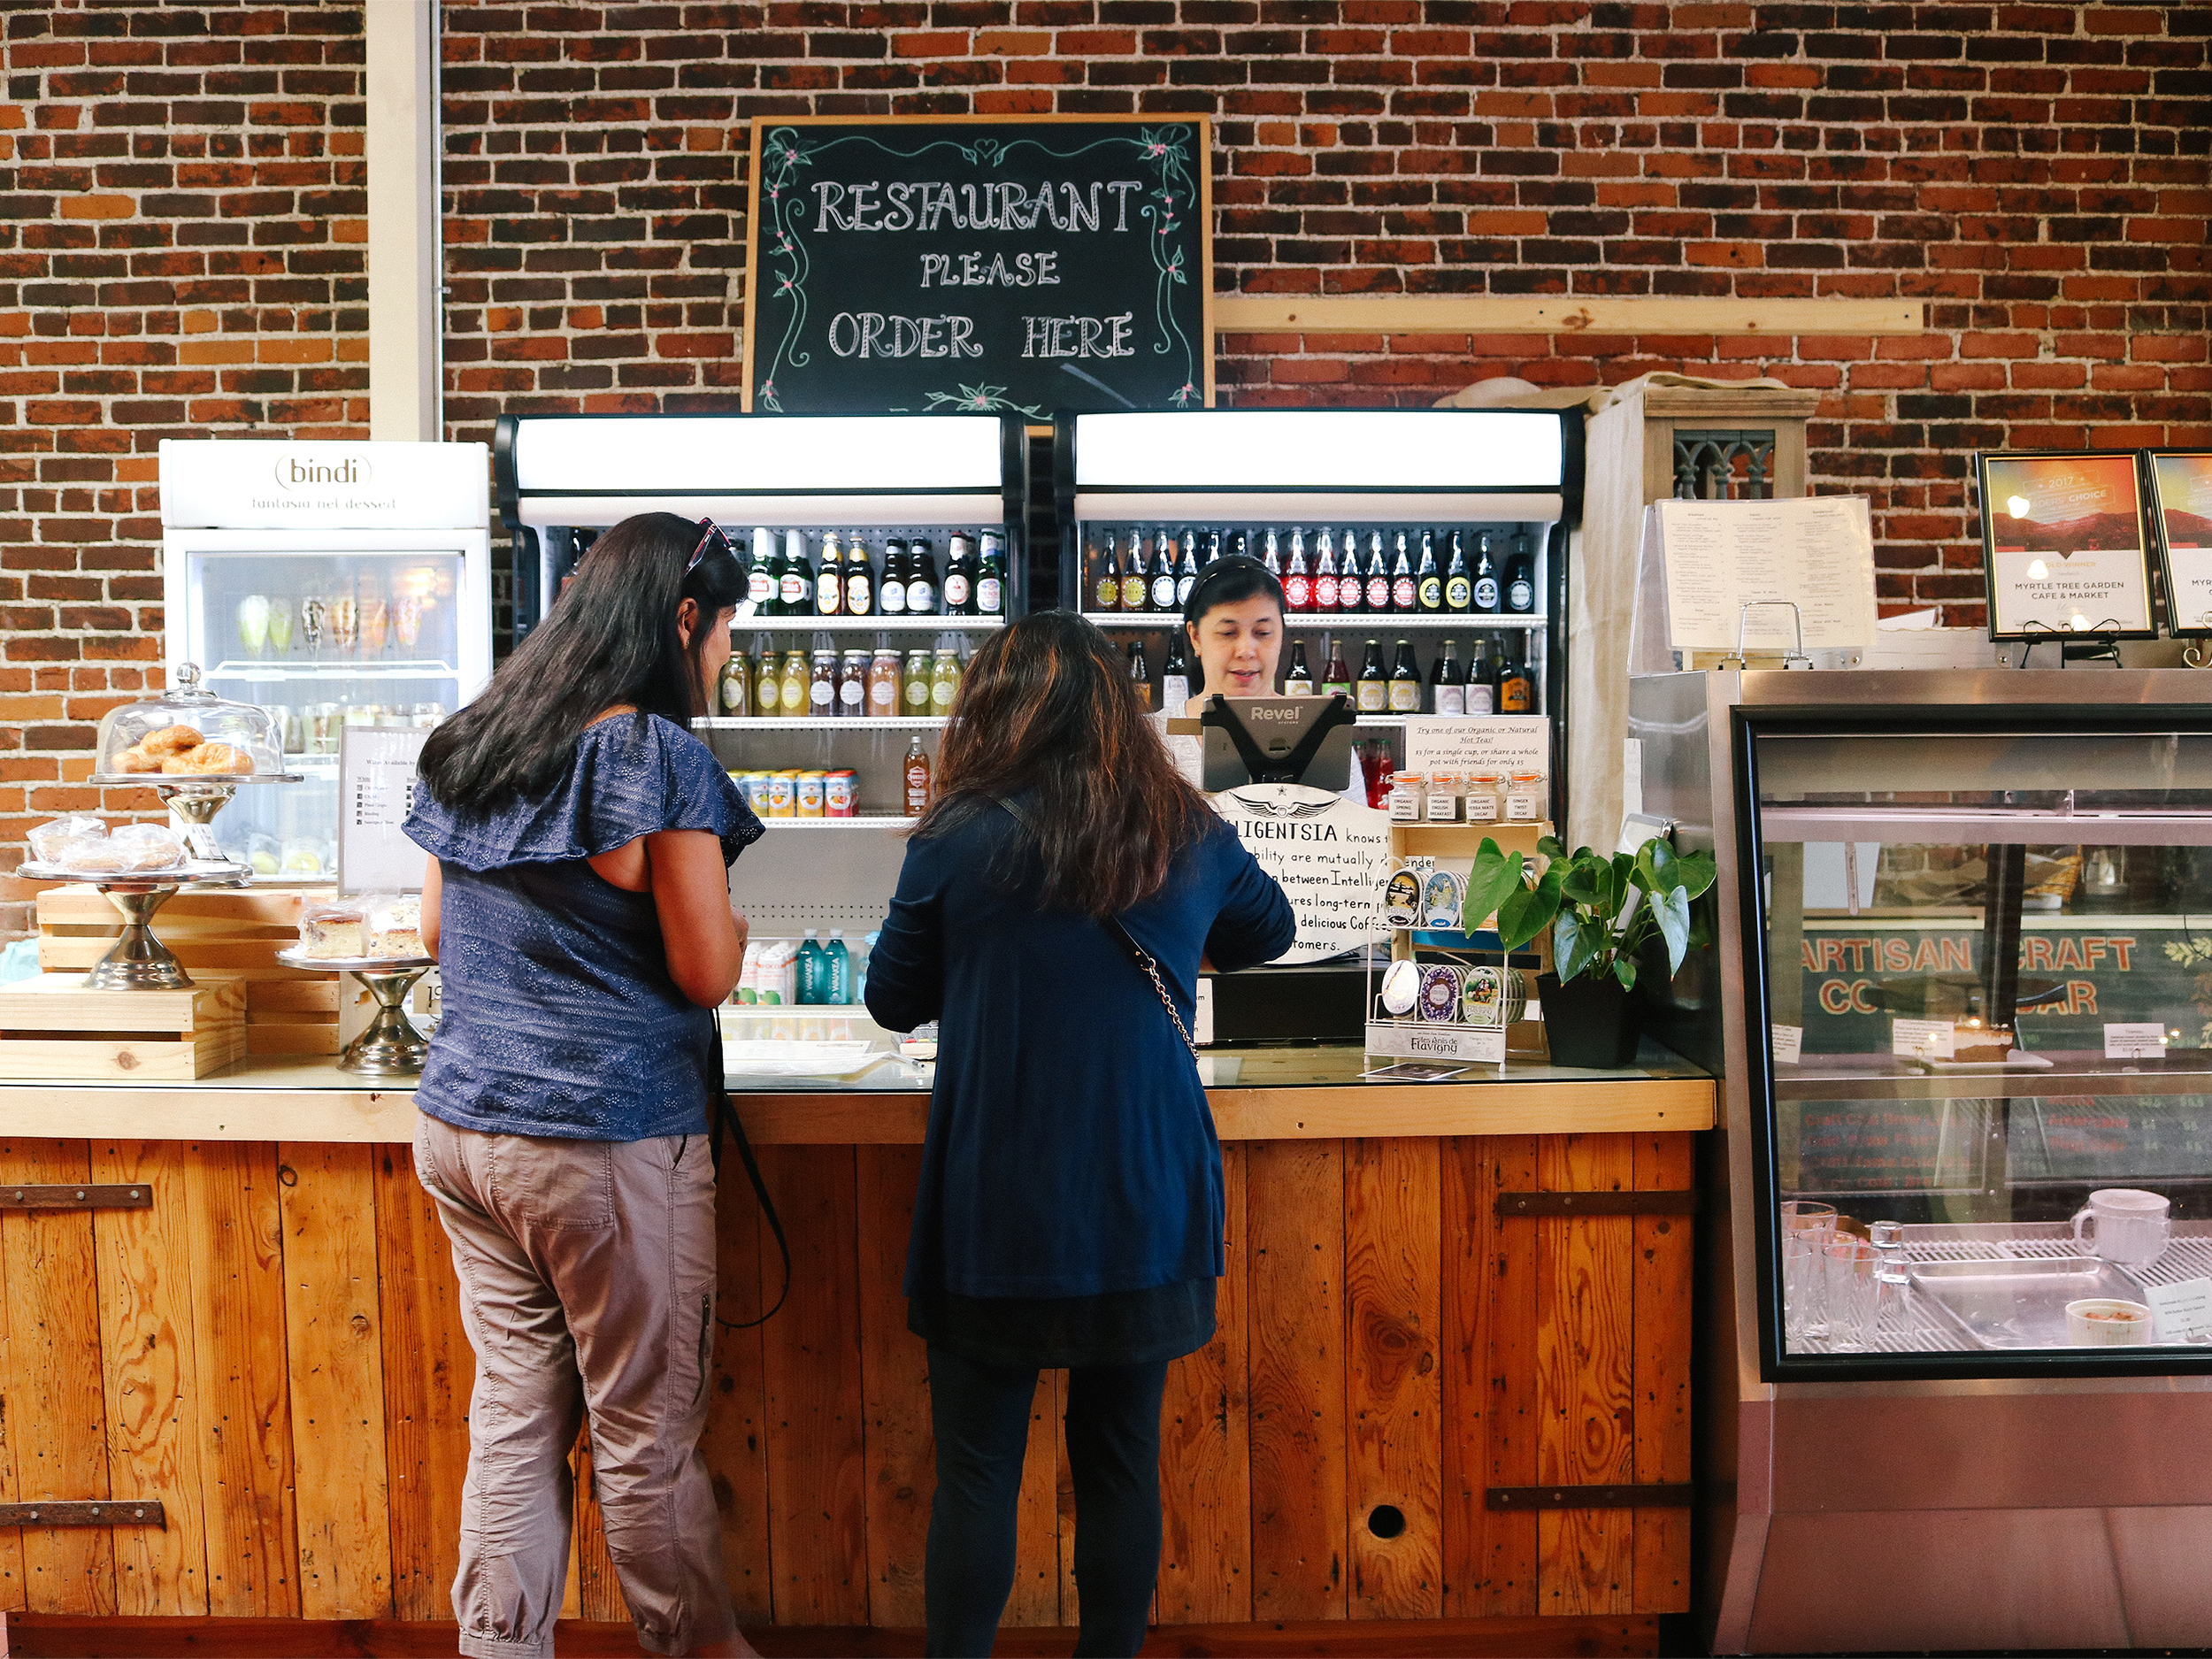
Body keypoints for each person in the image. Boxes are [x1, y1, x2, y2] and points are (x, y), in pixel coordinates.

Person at [864, 611, 1296, 1658]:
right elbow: (1271, 931)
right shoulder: (1184, 828)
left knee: (976, 1470)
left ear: (991, 708)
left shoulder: (954, 835)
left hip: (993, 1197)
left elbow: (889, 999)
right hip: (1139, 1187)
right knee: (1119, 1460)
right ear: (1120, 707)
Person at [403, 512, 765, 1659]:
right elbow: (705, 968)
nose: (722, 663)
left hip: (463, 1130)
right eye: (724, 637)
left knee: (515, 1415)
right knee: (644, 1433)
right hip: (601, 1137)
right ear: (683, 619)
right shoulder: (651, 753)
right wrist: (739, 927)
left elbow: (431, 930)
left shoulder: (473, 736)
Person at [1179, 552, 1285, 714]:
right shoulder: (1151, 734)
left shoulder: (1318, 733)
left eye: (1262, 633)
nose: (1246, 651)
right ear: (1196, 637)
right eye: (1227, 633)